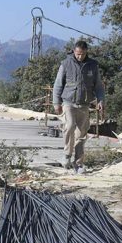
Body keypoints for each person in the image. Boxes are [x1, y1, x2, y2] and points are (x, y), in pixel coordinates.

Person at [52, 40, 105, 174]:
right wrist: (56, 103)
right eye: (77, 54)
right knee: (69, 126)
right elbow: (58, 84)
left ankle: (78, 163)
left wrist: (101, 100)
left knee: (82, 133)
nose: (79, 56)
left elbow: (98, 86)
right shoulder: (66, 63)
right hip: (68, 102)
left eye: (82, 54)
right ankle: (66, 155)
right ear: (74, 51)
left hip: (84, 103)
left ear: (86, 52)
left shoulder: (92, 65)